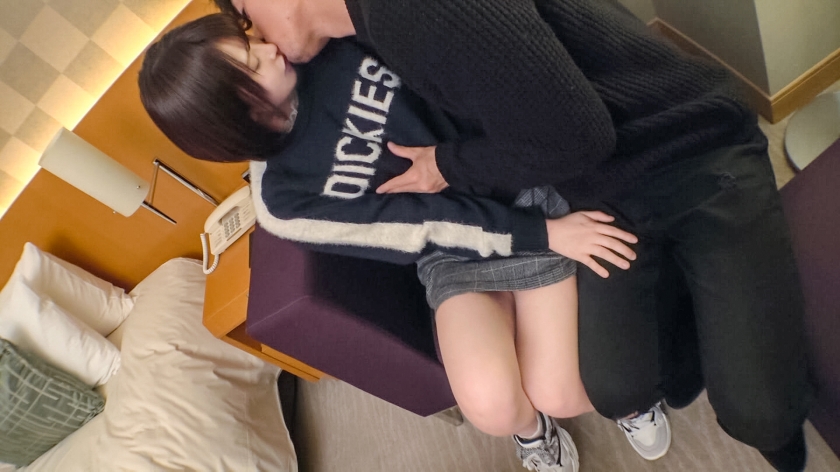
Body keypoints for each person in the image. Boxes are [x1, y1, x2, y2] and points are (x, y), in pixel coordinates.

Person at [210, 0, 814, 470]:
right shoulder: (287, 183)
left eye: (246, 30)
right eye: (247, 50)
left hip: (552, 188)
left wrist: (510, 207)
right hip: (482, 229)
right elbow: (417, 228)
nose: (262, 44)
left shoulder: (361, 35)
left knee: (588, 391)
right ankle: (546, 428)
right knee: (506, 402)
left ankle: (683, 388)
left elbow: (562, 133)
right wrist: (515, 220)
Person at [139, 13, 645, 472]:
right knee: (493, 408)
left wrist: (542, 225)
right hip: (453, 247)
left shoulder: (325, 42)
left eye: (250, 40)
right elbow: (419, 228)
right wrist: (545, 235)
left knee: (564, 394)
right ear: (239, 115)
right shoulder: (284, 200)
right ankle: (534, 435)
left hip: (512, 186)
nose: (269, 48)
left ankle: (632, 396)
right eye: (252, 63)